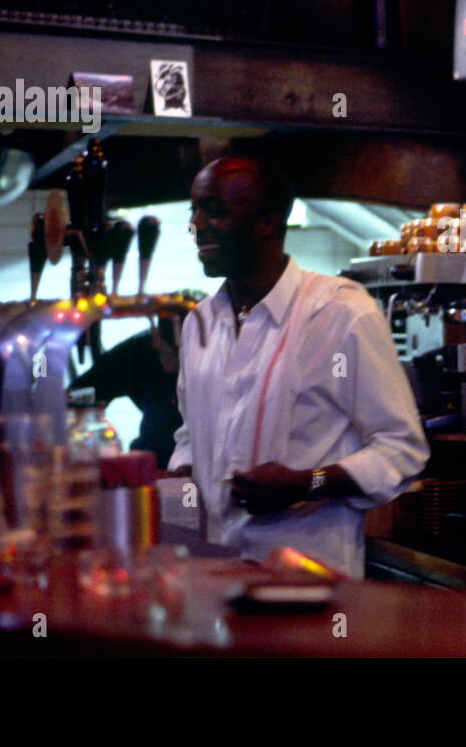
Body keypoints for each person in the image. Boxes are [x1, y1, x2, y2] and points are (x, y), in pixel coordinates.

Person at [167, 154, 429, 578]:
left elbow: (401, 448)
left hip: (312, 588)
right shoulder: (199, 323)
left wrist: (309, 482)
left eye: (214, 210)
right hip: (214, 579)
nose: (196, 224)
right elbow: (190, 435)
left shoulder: (341, 312)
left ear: (268, 223)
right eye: (193, 210)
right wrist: (177, 473)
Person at [69, 315, 183, 470]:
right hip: (152, 470)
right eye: (164, 354)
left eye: (178, 357)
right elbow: (78, 393)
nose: (169, 367)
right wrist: (90, 409)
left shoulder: (221, 357)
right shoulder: (140, 352)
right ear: (156, 338)